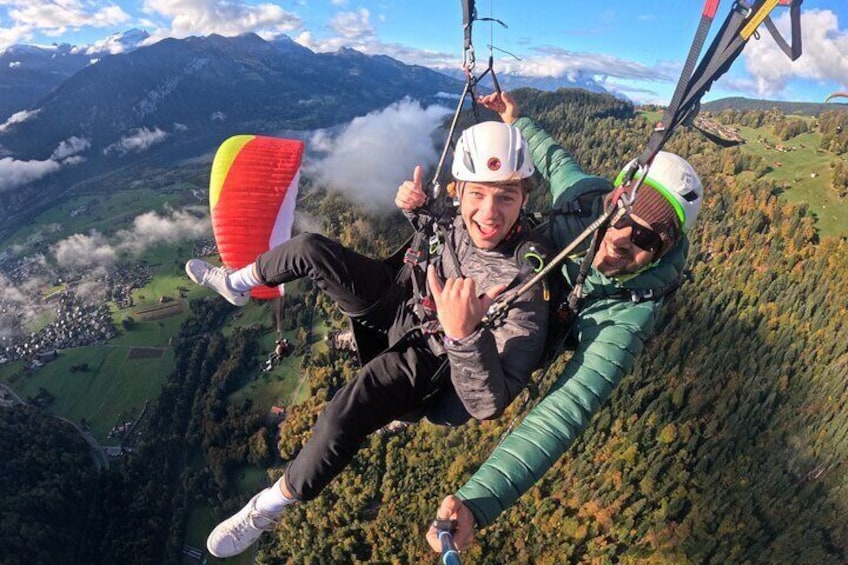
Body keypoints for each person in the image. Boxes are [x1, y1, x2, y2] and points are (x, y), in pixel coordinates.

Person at [185, 121, 550, 559]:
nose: (490, 212)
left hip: (429, 358)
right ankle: (237, 283)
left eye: (506, 197)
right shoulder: (458, 216)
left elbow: (489, 403)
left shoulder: (526, 283)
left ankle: (267, 506)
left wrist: (463, 335)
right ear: (459, 191)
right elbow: (443, 229)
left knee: (342, 415)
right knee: (310, 248)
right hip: (402, 300)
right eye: (478, 194)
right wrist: (416, 208)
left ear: (524, 199)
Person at [426, 91, 704, 552]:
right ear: (611, 200)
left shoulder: (627, 318)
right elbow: (555, 159)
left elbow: (565, 410)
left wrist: (478, 502)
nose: (618, 240)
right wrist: (519, 121)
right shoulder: (583, 201)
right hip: (502, 289)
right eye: (621, 216)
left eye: (645, 237)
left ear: (665, 248)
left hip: (524, 332)